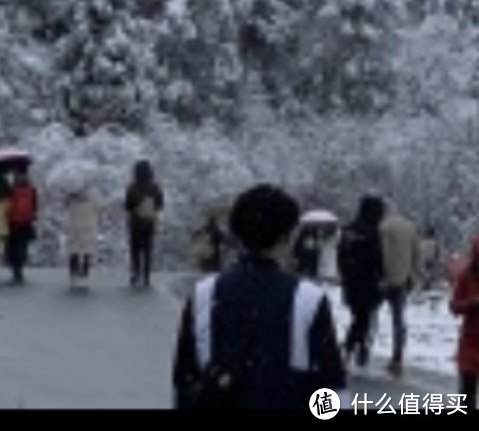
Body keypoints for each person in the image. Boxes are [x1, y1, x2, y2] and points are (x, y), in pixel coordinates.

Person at [172, 182, 346, 412]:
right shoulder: (308, 299)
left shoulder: (204, 293)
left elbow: (184, 381)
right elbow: (331, 386)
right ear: (286, 236)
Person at [338, 195, 386, 370]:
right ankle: (354, 347)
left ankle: (355, 347)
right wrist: (380, 276)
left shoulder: (348, 230)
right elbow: (377, 260)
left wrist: (345, 276)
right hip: (368, 283)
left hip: (351, 282)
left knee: (358, 317)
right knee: (364, 318)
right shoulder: (373, 232)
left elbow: (341, 257)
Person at [379, 197, 422, 375]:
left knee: (371, 313)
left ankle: (362, 346)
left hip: (382, 279)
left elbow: (377, 251)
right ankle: (397, 357)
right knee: (398, 319)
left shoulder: (381, 227)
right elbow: (416, 254)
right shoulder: (410, 227)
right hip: (401, 280)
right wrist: (414, 275)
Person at [450, 229, 479, 411]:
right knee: (467, 393)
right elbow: (454, 306)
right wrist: (471, 304)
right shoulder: (466, 276)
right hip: (470, 341)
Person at [124, 158, 164, 289]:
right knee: (147, 249)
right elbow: (160, 205)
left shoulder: (132, 187)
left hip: (135, 223)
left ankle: (136, 273)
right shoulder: (155, 187)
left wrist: (135, 206)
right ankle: (147, 276)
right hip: (149, 222)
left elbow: (128, 206)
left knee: (135, 249)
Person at [6, 168, 39, 286]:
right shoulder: (32, 190)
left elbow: (7, 205)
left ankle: (16, 271)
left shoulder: (11, 190)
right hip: (26, 223)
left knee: (12, 248)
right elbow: (35, 206)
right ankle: (19, 270)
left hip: (13, 223)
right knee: (22, 247)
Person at [65, 187, 103, 286]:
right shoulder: (94, 194)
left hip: (74, 225)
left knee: (73, 249)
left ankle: (73, 273)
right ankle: (84, 273)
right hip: (89, 225)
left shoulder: (71, 194)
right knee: (86, 249)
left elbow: (67, 208)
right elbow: (100, 207)